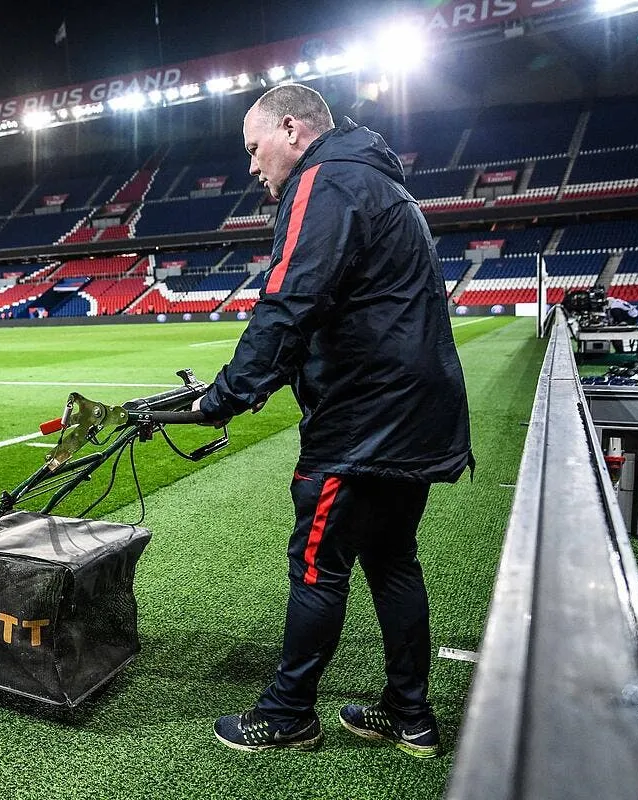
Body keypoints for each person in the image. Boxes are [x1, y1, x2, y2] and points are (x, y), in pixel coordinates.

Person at [192, 84, 473, 757]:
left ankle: (289, 713)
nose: (253, 168)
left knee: (318, 562)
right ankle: (410, 715)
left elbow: (291, 301)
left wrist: (226, 395)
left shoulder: (327, 179)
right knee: (393, 559)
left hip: (365, 418)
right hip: (418, 410)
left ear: (291, 129)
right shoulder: (377, 180)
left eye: (255, 150)